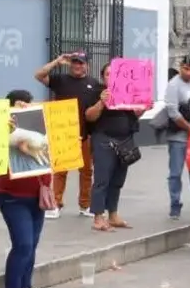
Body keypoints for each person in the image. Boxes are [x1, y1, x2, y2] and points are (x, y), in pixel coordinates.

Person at [0, 90, 51, 288]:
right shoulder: (2, 131)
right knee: (23, 244)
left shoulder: (39, 130)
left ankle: (25, 287)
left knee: (33, 244)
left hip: (36, 195)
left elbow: (49, 160)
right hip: (13, 196)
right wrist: (3, 125)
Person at [34, 52, 98, 219]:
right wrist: (57, 61)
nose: (77, 66)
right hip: (63, 133)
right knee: (60, 170)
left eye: (81, 63)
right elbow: (39, 75)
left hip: (85, 134)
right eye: (74, 63)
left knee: (86, 171)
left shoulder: (93, 84)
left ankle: (85, 205)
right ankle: (55, 204)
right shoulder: (60, 80)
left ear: (87, 65)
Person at [84, 62, 144, 232]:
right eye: (107, 74)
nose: (111, 77)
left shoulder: (127, 91)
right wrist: (102, 102)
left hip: (124, 140)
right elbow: (89, 116)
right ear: (103, 77)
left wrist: (144, 107)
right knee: (102, 179)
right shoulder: (97, 92)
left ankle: (113, 214)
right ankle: (97, 216)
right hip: (104, 139)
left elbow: (135, 114)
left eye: (114, 74)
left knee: (117, 180)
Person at [164, 53, 190, 220]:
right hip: (178, 135)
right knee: (175, 173)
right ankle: (175, 204)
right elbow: (172, 112)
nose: (189, 72)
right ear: (181, 67)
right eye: (186, 69)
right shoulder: (174, 84)